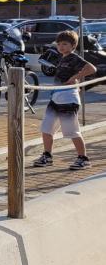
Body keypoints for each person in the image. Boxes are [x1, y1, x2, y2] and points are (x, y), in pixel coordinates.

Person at [34, 30, 96, 170]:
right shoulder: (62, 58)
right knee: (46, 128)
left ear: (73, 46)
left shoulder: (74, 58)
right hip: (56, 98)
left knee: (72, 131)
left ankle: (83, 158)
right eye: (59, 44)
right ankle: (47, 156)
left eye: (65, 44)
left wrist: (75, 78)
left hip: (68, 99)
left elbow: (91, 68)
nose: (61, 47)